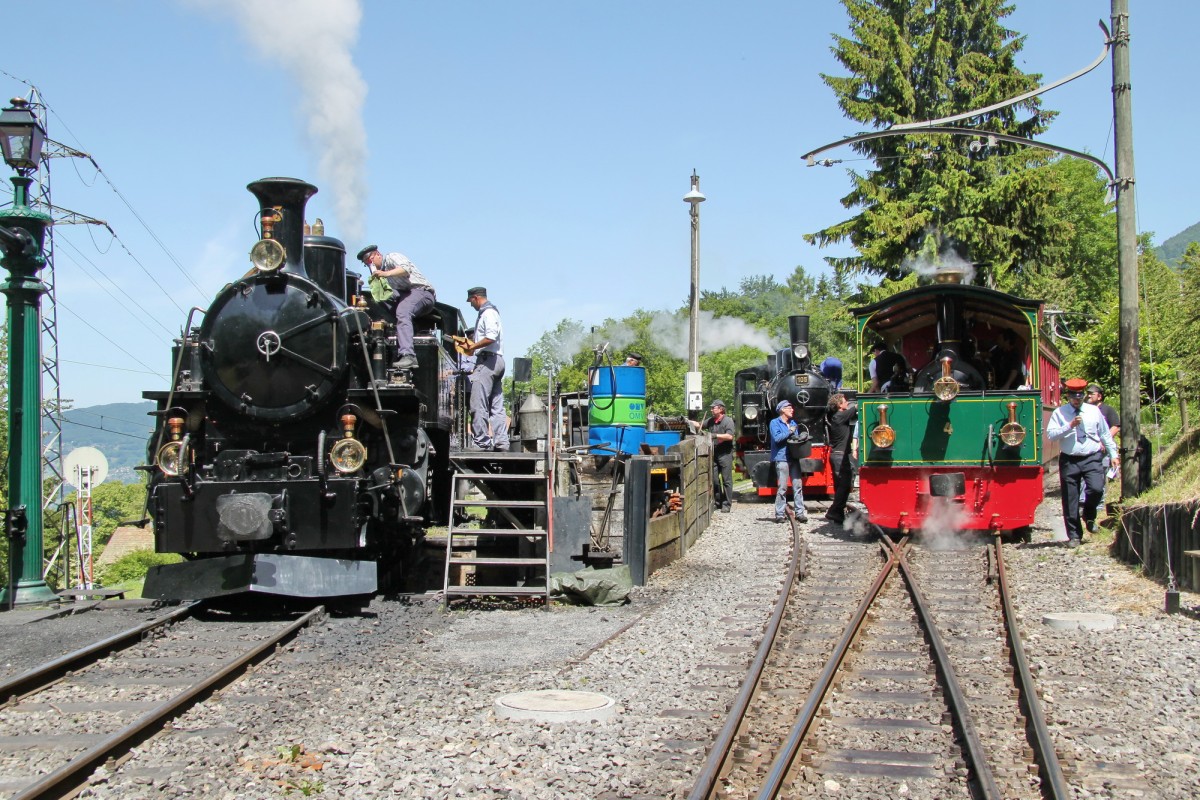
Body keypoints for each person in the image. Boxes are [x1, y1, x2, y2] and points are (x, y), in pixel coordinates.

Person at [1046, 378, 1119, 547]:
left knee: (1096, 488)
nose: (1077, 400)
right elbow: (1051, 435)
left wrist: (1113, 454)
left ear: (1083, 396)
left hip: (1091, 457)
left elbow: (1105, 434)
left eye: (1079, 397)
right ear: (1068, 397)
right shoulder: (1060, 413)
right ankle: (1074, 535)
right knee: (1070, 498)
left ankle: (1089, 514)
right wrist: (1069, 426)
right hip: (1070, 459)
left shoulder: (1094, 412)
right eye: (1073, 397)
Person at [357, 245, 436, 371]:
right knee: (378, 299)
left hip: (421, 292)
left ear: (378, 254)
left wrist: (385, 274)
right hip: (405, 294)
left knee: (403, 311)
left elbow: (406, 269)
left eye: (370, 260)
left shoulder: (392, 257)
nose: (370, 264)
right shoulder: (382, 275)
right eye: (366, 263)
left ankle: (408, 355)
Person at [462, 287, 510, 451]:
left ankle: (481, 442)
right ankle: (502, 442)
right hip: (497, 360)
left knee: (478, 403)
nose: (471, 305)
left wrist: (473, 347)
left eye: (471, 302)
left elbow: (490, 337)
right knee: (496, 406)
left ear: (476, 298)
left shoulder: (488, 313)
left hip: (487, 361)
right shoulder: (492, 312)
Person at [1081, 382, 1121, 515]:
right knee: (1083, 477)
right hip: (1088, 449)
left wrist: (1105, 441)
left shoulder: (1107, 410)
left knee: (1100, 476)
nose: (1089, 396)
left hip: (1103, 450)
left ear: (1099, 396)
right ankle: (1083, 503)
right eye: (1088, 393)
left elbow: (1115, 426)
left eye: (1092, 394)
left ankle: (1099, 505)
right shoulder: (1084, 409)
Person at [768, 400, 807, 523]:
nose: (792, 410)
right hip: (781, 458)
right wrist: (790, 431)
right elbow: (778, 438)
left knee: (798, 486)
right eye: (789, 408)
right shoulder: (774, 423)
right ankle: (779, 514)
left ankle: (800, 513)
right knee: (782, 487)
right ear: (783, 410)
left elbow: (794, 439)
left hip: (793, 457)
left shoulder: (793, 423)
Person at [824, 393, 858, 525]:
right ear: (839, 405)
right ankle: (834, 510)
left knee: (841, 485)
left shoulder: (837, 416)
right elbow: (856, 407)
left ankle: (838, 513)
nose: (847, 402)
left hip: (838, 455)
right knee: (844, 484)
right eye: (845, 401)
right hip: (839, 455)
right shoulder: (840, 416)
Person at [702, 399, 736, 513]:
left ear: (720, 409)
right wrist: (688, 421)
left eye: (713, 407)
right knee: (715, 480)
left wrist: (715, 435)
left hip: (725, 453)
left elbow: (730, 436)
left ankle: (727, 504)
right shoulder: (711, 421)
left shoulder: (728, 421)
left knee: (726, 480)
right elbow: (700, 424)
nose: (711, 409)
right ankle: (718, 502)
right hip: (714, 453)